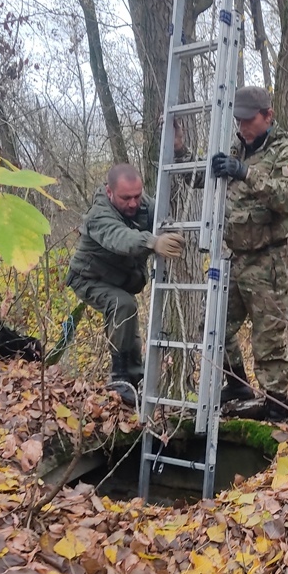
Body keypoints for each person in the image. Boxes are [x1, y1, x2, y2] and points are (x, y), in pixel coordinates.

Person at [174, 86, 288, 421]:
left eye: (249, 120)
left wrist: (246, 173)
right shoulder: (235, 147)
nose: (243, 127)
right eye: (239, 121)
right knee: (216, 324)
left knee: (268, 335)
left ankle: (278, 404)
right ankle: (236, 383)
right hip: (234, 256)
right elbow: (205, 179)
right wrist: (182, 153)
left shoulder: (285, 150)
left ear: (268, 117)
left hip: (267, 259)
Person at [66, 163, 185, 405]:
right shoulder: (98, 214)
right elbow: (120, 238)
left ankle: (135, 378)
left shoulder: (144, 206)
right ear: (109, 193)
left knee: (128, 315)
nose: (133, 203)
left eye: (137, 196)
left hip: (121, 281)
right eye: (125, 198)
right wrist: (152, 242)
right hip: (89, 278)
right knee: (123, 305)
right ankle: (119, 379)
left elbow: (164, 219)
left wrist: (174, 231)